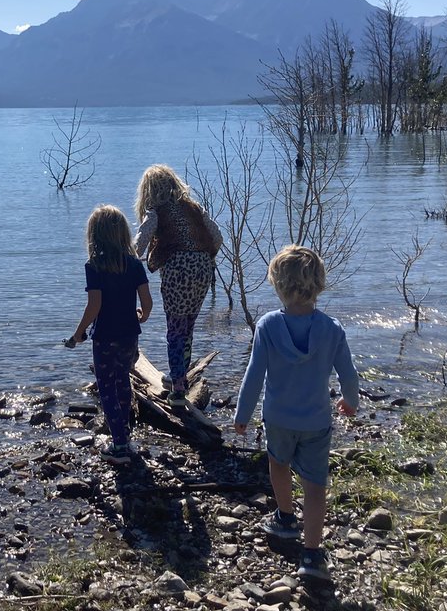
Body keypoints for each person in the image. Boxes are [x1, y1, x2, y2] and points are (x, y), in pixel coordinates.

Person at [232, 244, 359, 582]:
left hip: (278, 418)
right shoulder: (332, 329)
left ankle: (286, 517)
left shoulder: (268, 326)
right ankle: (312, 555)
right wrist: (351, 402)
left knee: (278, 464)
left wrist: (242, 414)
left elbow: (254, 374)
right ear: (318, 284)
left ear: (278, 284)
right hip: (316, 420)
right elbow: (349, 374)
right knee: (315, 486)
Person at [64, 204, 153, 465]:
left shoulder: (94, 266)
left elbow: (94, 306)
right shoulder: (135, 265)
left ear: (95, 235)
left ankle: (120, 446)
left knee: (107, 389)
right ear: (123, 234)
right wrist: (143, 316)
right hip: (129, 335)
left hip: (104, 337)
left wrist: (78, 333)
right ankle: (125, 436)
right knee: (123, 382)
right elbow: (146, 302)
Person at [132, 164, 222, 404]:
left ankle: (179, 390)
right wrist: (202, 258)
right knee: (188, 325)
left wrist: (125, 260)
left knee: (175, 328)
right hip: (203, 269)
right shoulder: (194, 208)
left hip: (178, 272)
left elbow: (139, 244)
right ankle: (178, 376)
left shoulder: (155, 211)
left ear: (148, 191)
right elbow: (217, 236)